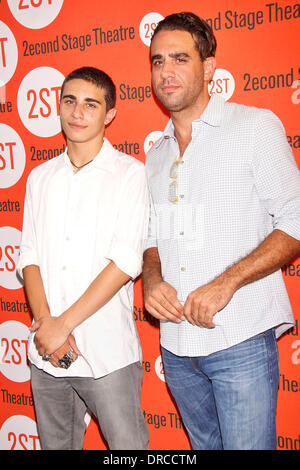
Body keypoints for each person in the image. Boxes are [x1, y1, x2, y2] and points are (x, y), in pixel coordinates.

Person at [142, 12, 300, 450]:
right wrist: (151, 279)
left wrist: (225, 283)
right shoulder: (156, 155)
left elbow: (296, 216)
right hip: (175, 348)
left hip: (240, 339)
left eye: (179, 59)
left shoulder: (253, 128)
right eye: (157, 61)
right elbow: (153, 238)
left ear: (208, 68)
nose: (166, 72)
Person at [18, 66, 149, 450]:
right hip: (46, 355)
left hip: (107, 352)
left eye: (91, 104)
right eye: (70, 101)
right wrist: (47, 326)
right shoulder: (40, 177)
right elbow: (30, 258)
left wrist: (63, 326)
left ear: (109, 114)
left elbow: (125, 262)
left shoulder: (130, 175)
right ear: (58, 107)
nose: (78, 113)